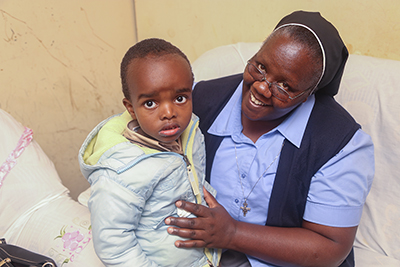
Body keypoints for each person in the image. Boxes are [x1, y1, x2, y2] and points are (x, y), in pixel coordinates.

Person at [165, 11, 374, 267]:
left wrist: (232, 233)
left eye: (285, 86)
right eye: (260, 67)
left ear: (309, 94)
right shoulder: (202, 98)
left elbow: (330, 248)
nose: (262, 88)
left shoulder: (340, 143)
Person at [79, 38, 220, 267]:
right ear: (130, 108)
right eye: (151, 103)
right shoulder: (122, 168)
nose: (168, 112)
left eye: (180, 98)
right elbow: (113, 243)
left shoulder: (191, 131)